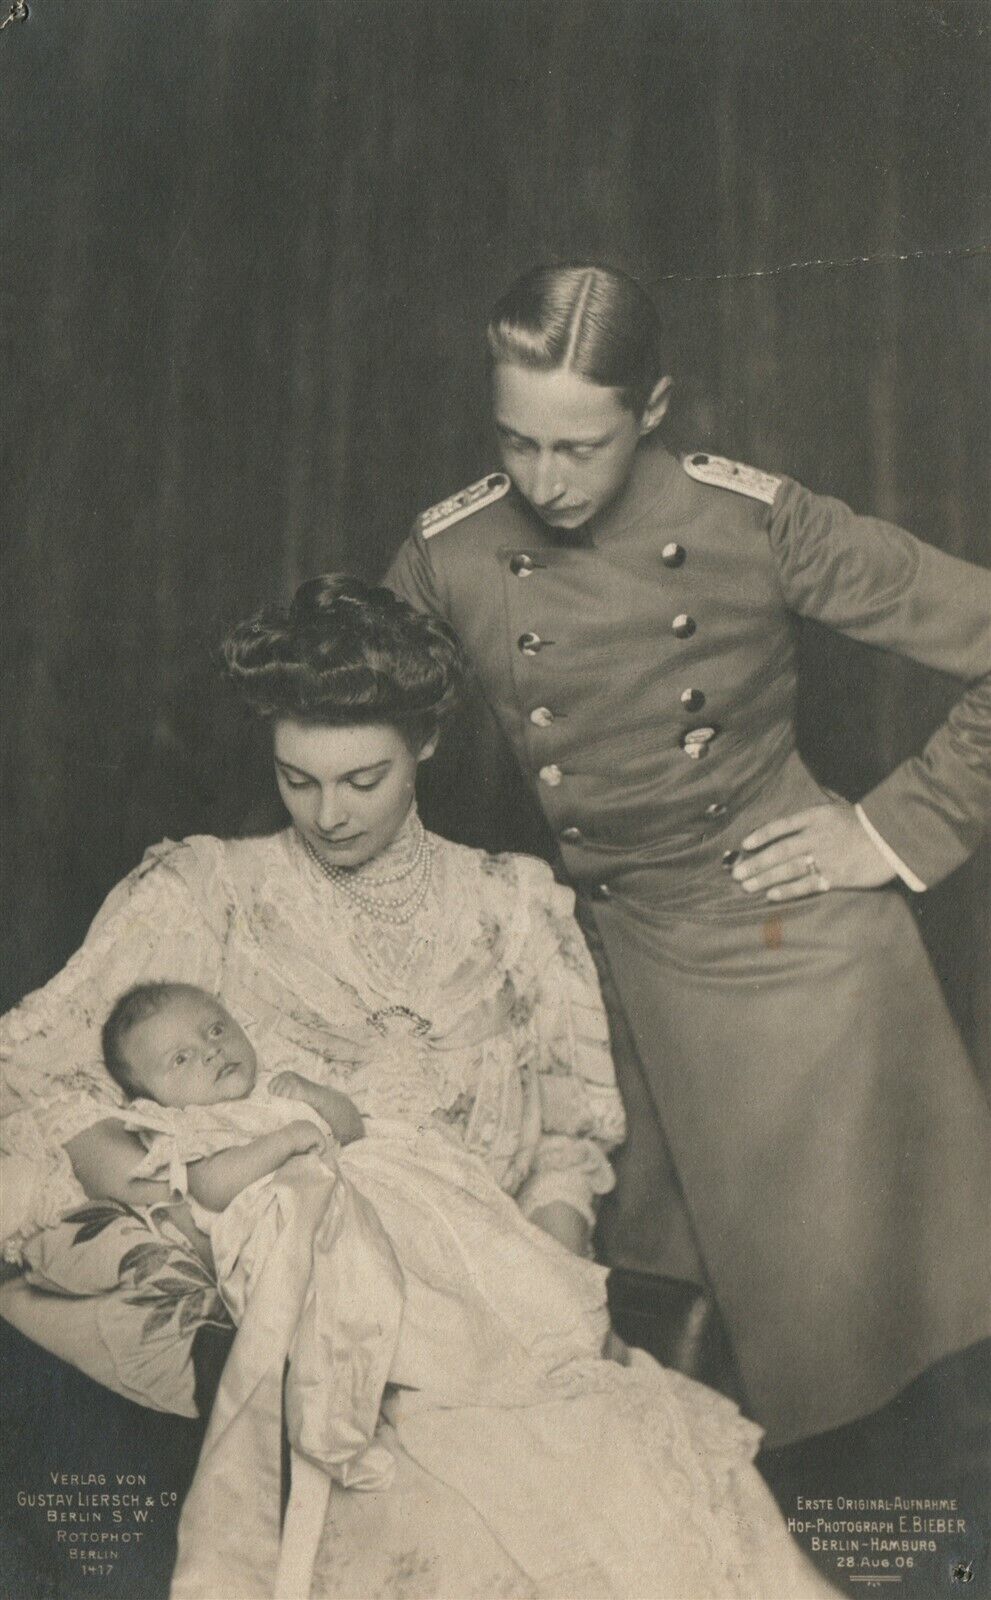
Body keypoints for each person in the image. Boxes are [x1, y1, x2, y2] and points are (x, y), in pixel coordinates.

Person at [0, 576, 836, 1599]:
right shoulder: (206, 891)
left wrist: (545, 1304)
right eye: (296, 779)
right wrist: (146, 1185)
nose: (328, 814)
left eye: (362, 778)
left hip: (489, 1305)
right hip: (300, 1318)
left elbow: (569, 1143)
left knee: (621, 1494)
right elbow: (36, 1071)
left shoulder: (513, 907)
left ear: (426, 747)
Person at [385, 260, 991, 1450]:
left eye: (582, 445)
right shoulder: (448, 552)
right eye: (518, 443)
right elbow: (354, 720)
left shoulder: (755, 522)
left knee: (866, 1390)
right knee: (629, 1370)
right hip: (597, 965)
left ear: (653, 409)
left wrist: (887, 829)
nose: (545, 482)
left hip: (796, 963)